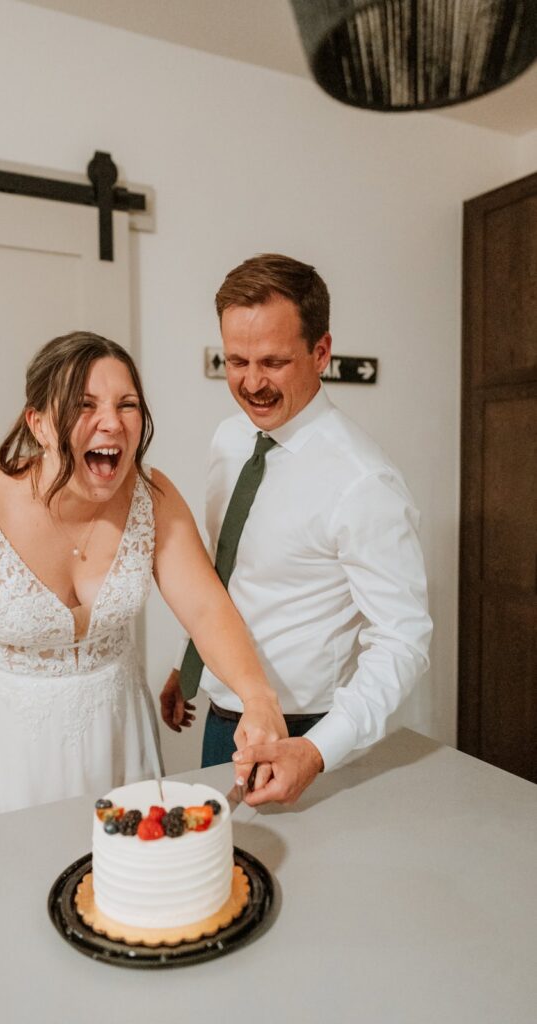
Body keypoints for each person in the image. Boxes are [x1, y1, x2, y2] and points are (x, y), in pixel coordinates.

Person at [0, 331, 286, 830]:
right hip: (4, 758)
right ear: (37, 423)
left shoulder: (153, 497)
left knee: (126, 891)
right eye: (85, 404)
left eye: (127, 405)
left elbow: (207, 610)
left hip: (118, 741)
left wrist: (258, 697)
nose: (112, 422)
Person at [160, 254, 432, 805]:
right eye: (236, 360)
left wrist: (316, 750)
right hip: (222, 714)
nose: (252, 383)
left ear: (321, 353)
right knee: (223, 877)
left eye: (273, 362)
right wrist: (190, 664)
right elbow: (229, 569)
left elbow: (403, 641)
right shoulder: (229, 439)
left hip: (304, 734)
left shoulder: (363, 481)